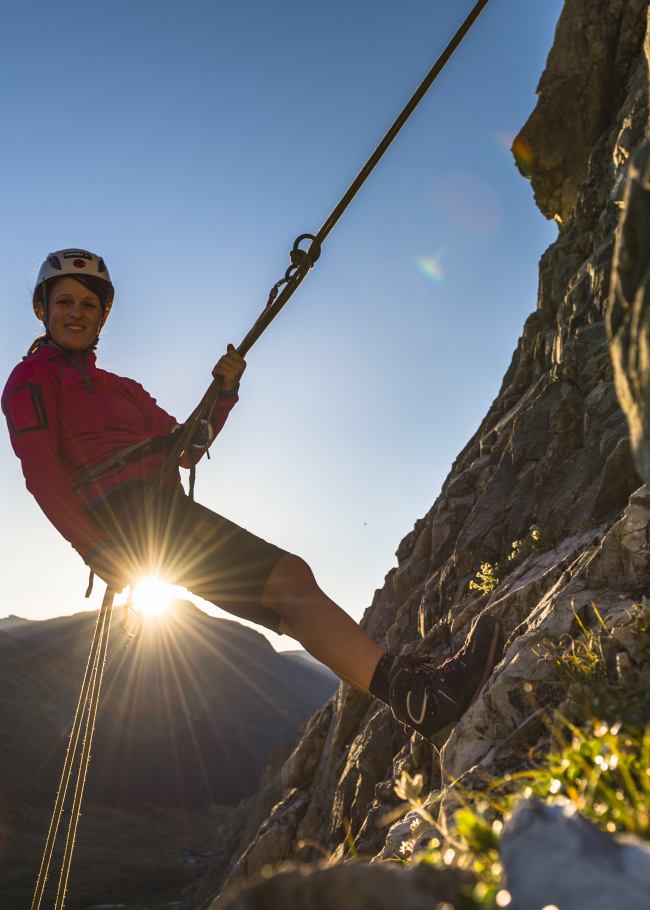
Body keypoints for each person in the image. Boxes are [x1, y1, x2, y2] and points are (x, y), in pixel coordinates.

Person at [2, 248, 503, 742]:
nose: (76, 313)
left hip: (162, 511)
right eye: (64, 302)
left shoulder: (123, 388)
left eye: (88, 305)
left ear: (103, 316)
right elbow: (42, 472)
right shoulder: (30, 380)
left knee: (289, 583)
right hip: (126, 518)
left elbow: (185, 449)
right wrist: (94, 547)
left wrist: (223, 393)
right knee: (287, 581)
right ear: (42, 310)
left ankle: (416, 699)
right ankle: (418, 698)